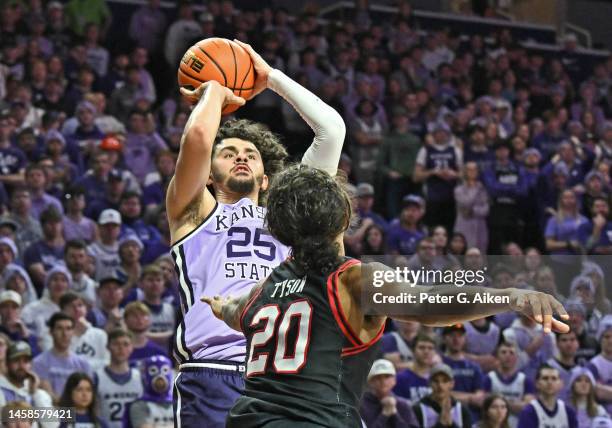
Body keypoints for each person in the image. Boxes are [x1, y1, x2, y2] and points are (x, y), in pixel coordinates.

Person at [203, 164, 569, 427]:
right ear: (345, 217)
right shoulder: (352, 280)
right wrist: (507, 295)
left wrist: (220, 307)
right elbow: (430, 302)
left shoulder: (262, 289)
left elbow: (236, 311)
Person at [168, 40, 345, 426]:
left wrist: (271, 78)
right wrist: (214, 91)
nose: (241, 156)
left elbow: (331, 132)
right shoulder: (193, 213)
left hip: (280, 375)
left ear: (267, 179)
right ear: (209, 175)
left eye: (250, 154)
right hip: (213, 370)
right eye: (228, 153)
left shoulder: (291, 218)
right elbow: (197, 139)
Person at [32, 312, 92, 399]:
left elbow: (88, 395)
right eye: (59, 328)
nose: (65, 334)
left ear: (73, 332)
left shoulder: (83, 364)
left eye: (68, 329)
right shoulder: (39, 363)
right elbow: (47, 396)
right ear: (51, 332)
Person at [95, 329, 143, 428]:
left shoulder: (141, 377)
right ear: (108, 347)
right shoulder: (97, 377)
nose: (121, 348)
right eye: (116, 344)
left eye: (126, 344)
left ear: (131, 348)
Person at [484, 341, 536, 427]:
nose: (508, 356)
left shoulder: (525, 380)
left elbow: (527, 408)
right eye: (503, 352)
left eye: (511, 353)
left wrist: (500, 403)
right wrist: (515, 405)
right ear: (497, 356)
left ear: (517, 357)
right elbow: (485, 405)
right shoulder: (489, 378)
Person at [359, 359, 418, 428]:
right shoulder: (361, 405)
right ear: (370, 381)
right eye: (378, 377)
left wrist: (394, 413)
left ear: (394, 380)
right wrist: (385, 414)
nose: (383, 381)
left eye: (387, 376)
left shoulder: (403, 404)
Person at [413, 364, 472, 428]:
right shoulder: (417, 409)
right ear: (429, 383)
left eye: (445, 381)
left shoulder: (462, 410)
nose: (440, 385)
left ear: (452, 384)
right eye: (436, 381)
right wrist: (441, 424)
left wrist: (451, 424)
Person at [123, 355, 173, 428]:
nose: (160, 377)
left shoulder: (179, 403)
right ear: (145, 375)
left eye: (165, 370)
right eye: (153, 371)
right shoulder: (138, 405)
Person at [0, 341, 53, 409]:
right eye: (16, 360)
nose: (21, 366)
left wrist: (35, 392)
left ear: (31, 364)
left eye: (26, 361)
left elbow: (49, 419)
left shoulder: (37, 393)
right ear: (7, 364)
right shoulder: (1, 389)